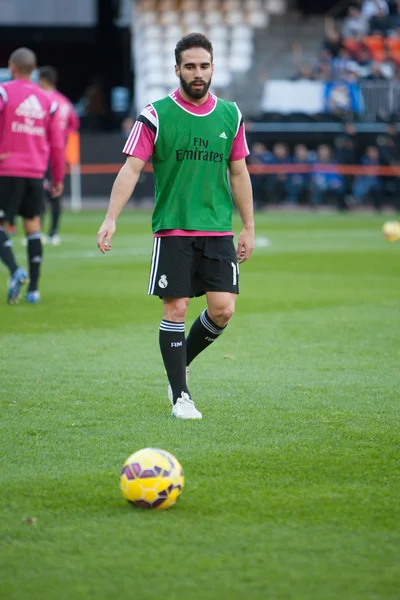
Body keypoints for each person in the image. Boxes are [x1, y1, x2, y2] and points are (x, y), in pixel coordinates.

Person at [97, 33, 254, 420]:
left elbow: (239, 172)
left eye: (204, 66)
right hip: (174, 230)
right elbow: (131, 168)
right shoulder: (155, 114)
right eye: (190, 67)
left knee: (223, 310)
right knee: (177, 307)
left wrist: (248, 225)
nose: (197, 74)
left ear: (213, 67)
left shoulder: (230, 115)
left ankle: (178, 365)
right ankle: (180, 396)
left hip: (217, 229)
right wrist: (110, 218)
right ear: (177, 69)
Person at [0, 47, 65, 304]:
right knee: (33, 228)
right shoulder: (48, 101)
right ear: (34, 69)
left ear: (11, 67)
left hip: (7, 170)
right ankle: (34, 291)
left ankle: (16, 271)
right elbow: (57, 144)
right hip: (36, 173)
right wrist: (57, 178)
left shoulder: (4, 92)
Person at [38, 66, 80, 245]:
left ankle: (36, 230)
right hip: (58, 152)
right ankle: (53, 232)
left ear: (42, 80)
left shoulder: (43, 99)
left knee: (39, 192)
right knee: (56, 191)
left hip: (41, 151)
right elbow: (74, 122)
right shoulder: (64, 101)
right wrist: (62, 135)